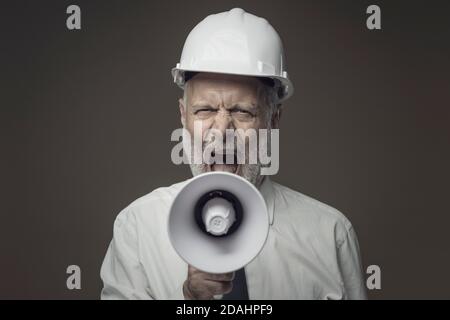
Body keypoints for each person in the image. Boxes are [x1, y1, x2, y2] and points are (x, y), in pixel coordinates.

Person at [100, 8, 367, 300]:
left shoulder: (330, 234)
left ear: (273, 119)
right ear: (182, 115)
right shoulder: (138, 228)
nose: (222, 129)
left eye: (243, 111)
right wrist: (190, 301)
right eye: (205, 110)